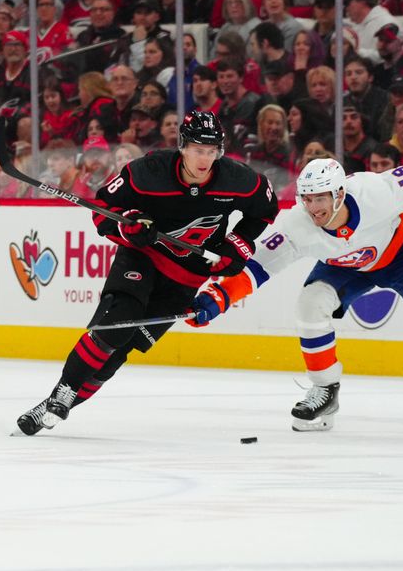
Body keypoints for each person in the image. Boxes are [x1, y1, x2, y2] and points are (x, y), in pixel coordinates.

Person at [186, 156, 403, 434]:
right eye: (307, 199)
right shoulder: (297, 225)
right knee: (310, 304)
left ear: (340, 193)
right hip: (344, 266)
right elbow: (256, 268)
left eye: (320, 198)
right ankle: (325, 393)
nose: (313, 208)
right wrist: (218, 298)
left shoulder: (376, 192)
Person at [14, 111, 279, 435]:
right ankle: (62, 393)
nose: (205, 159)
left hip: (186, 279)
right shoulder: (148, 171)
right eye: (198, 149)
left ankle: (57, 403)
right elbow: (103, 212)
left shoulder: (237, 179)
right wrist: (131, 225)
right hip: (144, 258)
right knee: (118, 323)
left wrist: (236, 245)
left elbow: (266, 210)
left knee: (120, 352)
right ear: (183, 145)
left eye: (212, 151)